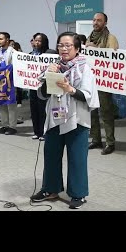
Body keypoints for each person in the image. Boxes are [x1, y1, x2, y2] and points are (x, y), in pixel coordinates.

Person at [30, 33, 99, 209]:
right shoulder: (52, 67)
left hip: (77, 119)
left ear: (77, 49)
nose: (64, 49)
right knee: (51, 154)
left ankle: (78, 194)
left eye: (68, 45)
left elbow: (89, 97)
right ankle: (50, 189)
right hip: (55, 117)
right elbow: (43, 94)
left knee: (77, 157)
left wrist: (70, 89)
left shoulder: (85, 69)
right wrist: (48, 76)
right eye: (61, 45)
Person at [86, 12, 119, 155]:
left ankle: (110, 142)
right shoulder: (89, 37)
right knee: (92, 111)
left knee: (106, 113)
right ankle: (96, 139)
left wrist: (95, 49)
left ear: (105, 23)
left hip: (105, 82)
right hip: (90, 81)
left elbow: (113, 58)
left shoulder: (111, 38)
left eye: (99, 20)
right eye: (94, 20)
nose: (95, 22)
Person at [30, 33, 55, 140]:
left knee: (43, 110)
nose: (37, 43)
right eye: (35, 40)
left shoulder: (51, 54)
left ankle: (45, 132)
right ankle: (37, 132)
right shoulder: (31, 54)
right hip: (32, 86)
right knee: (34, 109)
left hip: (45, 87)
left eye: (39, 41)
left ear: (44, 42)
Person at [0, 32, 18, 135]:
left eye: (1, 39)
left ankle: (12, 126)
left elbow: (16, 66)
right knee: (1, 104)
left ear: (7, 40)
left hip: (10, 82)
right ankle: (4, 125)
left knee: (11, 104)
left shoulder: (13, 52)